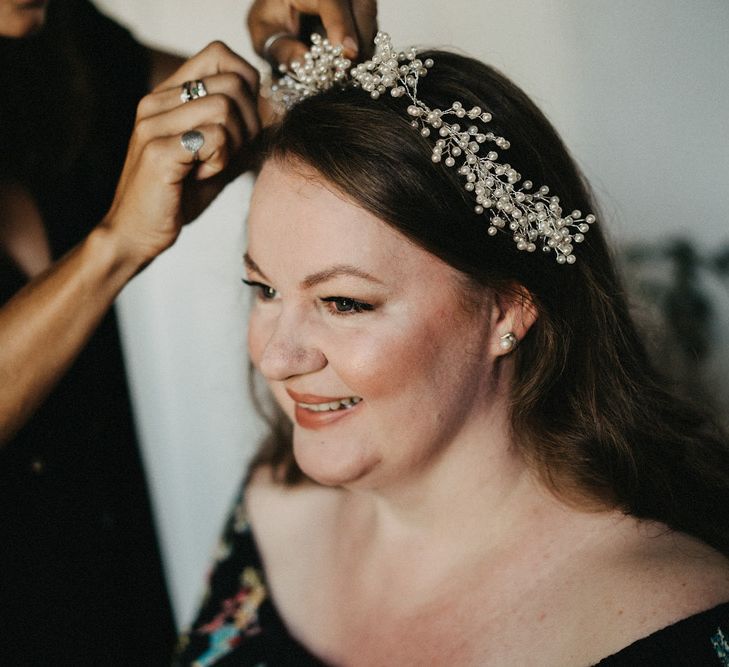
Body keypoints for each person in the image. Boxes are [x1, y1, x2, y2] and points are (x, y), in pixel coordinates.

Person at [176, 33, 729, 665]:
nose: (277, 357)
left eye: (344, 303)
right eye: (264, 289)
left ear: (507, 309)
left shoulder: (667, 623)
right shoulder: (271, 508)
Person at [0, 0, 377, 660]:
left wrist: (299, 58)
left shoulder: (58, 45)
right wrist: (114, 247)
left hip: (108, 582)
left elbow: (266, 121)